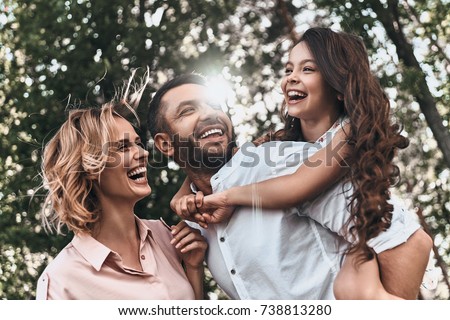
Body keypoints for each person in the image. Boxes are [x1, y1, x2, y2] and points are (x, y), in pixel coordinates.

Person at [174, 28, 433, 299]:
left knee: (353, 287)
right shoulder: (282, 145)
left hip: (370, 266)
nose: (291, 78)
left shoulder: (346, 136)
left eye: (307, 69)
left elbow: (298, 185)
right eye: (288, 70)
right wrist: (183, 194)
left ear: (339, 86)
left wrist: (230, 197)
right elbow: (226, 160)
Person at [35, 72, 207, 300]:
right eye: (123, 147)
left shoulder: (167, 237)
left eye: (137, 143)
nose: (144, 153)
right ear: (89, 166)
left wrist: (194, 269)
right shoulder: (61, 281)